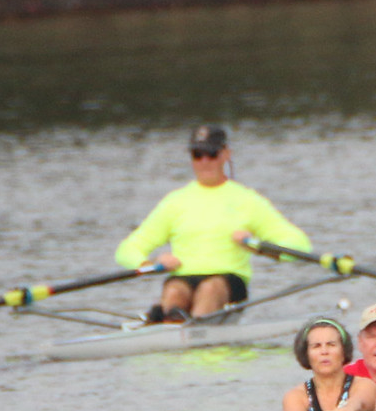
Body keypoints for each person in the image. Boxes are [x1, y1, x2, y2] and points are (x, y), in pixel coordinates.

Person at [115, 125, 311, 323]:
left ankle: (192, 331)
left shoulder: (248, 201)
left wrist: (256, 246)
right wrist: (150, 264)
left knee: (210, 288)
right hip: (184, 278)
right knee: (174, 290)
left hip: (228, 282)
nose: (205, 162)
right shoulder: (174, 202)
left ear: (226, 154)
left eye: (212, 153)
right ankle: (173, 327)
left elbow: (300, 244)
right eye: (198, 155)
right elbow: (127, 249)